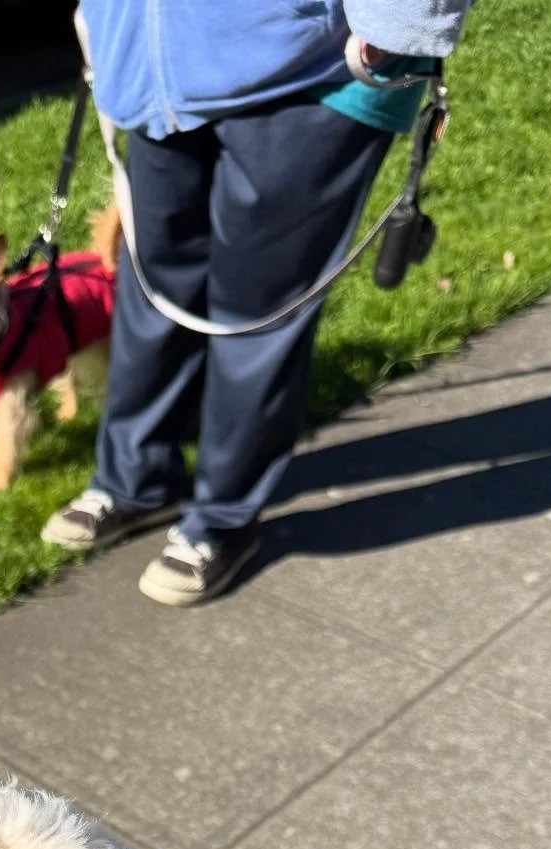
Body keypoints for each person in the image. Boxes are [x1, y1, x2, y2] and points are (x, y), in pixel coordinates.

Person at [42, 0, 473, 605]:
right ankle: (135, 478)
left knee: (257, 308)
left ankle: (220, 517)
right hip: (154, 66)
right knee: (156, 288)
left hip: (312, 71)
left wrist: (402, 27)